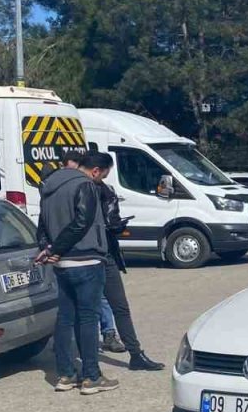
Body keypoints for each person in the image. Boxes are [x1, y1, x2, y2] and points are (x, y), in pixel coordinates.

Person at [36, 151, 119, 395]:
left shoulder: (48, 186)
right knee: (88, 319)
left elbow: (41, 225)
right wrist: (59, 249)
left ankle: (65, 374)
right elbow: (82, 222)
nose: (100, 180)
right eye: (103, 175)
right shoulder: (85, 186)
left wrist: (48, 249)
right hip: (86, 259)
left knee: (65, 318)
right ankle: (92, 376)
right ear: (96, 171)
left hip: (61, 265)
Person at [95, 155, 163, 371]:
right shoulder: (95, 190)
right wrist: (116, 225)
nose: (106, 177)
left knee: (112, 307)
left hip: (99, 254)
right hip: (96, 255)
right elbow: (108, 222)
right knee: (101, 308)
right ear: (97, 170)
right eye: (105, 172)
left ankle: (134, 353)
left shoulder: (90, 189)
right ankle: (86, 365)